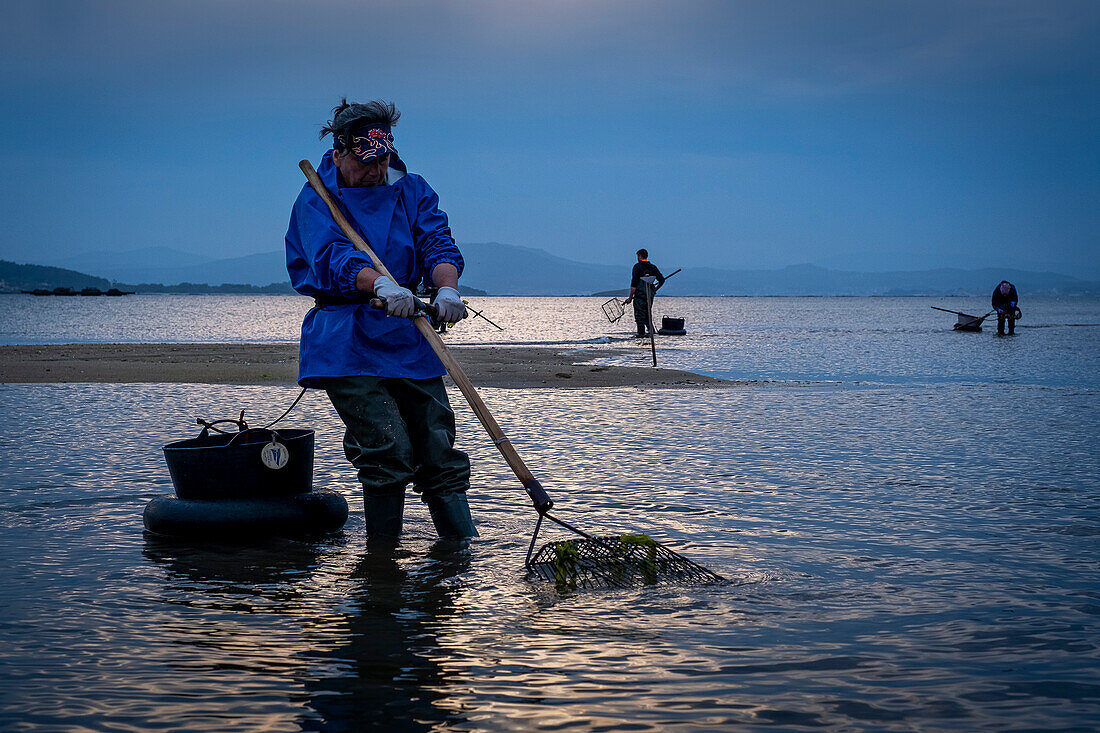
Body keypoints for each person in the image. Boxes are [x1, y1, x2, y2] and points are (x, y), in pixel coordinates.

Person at [285, 98, 476, 542]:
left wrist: (445, 287)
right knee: (388, 449)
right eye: (365, 162)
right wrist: (381, 286)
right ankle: (381, 569)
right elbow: (332, 256)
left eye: (382, 161)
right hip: (344, 337)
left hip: (410, 334)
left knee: (437, 450)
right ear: (340, 155)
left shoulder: (412, 188)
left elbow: (438, 244)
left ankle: (459, 552)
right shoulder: (317, 196)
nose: (375, 172)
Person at [622, 249, 665, 337]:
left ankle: (641, 335)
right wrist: (654, 290)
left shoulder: (637, 267)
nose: (637, 258)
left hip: (639, 296)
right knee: (648, 315)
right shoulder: (653, 267)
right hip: (650, 296)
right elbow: (662, 280)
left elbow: (634, 284)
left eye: (637, 256)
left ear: (640, 256)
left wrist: (630, 297)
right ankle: (651, 333)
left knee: (639, 317)